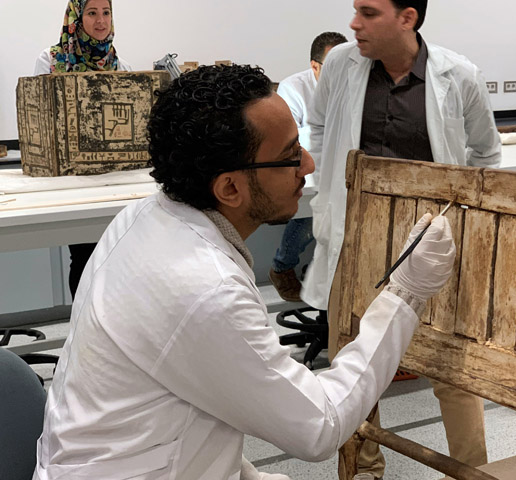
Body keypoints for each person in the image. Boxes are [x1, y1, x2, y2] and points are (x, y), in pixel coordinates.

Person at [33, 64, 457, 480]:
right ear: (230, 188)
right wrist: (406, 292)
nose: (308, 165)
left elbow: (182, 394)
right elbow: (320, 426)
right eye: (290, 156)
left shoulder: (140, 216)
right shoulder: (206, 289)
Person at [302, 0, 502, 478]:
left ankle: (471, 471)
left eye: (369, 13)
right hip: (355, 238)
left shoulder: (459, 75)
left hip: (430, 239)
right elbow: (320, 127)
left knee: (452, 369)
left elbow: (486, 155)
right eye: (356, 10)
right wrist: (326, 193)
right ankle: (364, 470)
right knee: (352, 359)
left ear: (407, 18)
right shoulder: (341, 64)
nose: (354, 23)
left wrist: (463, 221)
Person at [33, 0, 130, 300]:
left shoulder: (119, 65)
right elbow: (41, 117)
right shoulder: (51, 60)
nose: (101, 21)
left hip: (114, 180)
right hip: (72, 180)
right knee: (85, 257)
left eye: (106, 13)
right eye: (92, 13)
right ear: (76, 17)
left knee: (119, 256)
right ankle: (83, 321)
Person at [269, 31, 347, 302]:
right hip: (306, 169)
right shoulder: (293, 88)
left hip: (341, 168)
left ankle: (318, 273)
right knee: (309, 218)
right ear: (315, 66)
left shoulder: (351, 86)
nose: (342, 72)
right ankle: (282, 267)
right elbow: (290, 138)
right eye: (333, 65)